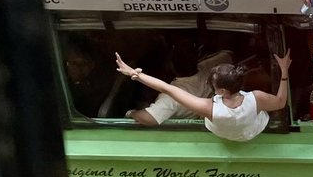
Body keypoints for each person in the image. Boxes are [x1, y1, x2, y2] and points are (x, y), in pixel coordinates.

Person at [112, 51, 291, 142]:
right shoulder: (257, 98)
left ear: (220, 92)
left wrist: (135, 75)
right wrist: (284, 71)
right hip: (254, 131)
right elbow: (281, 102)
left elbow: (168, 89)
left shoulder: (210, 109)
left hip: (224, 133)